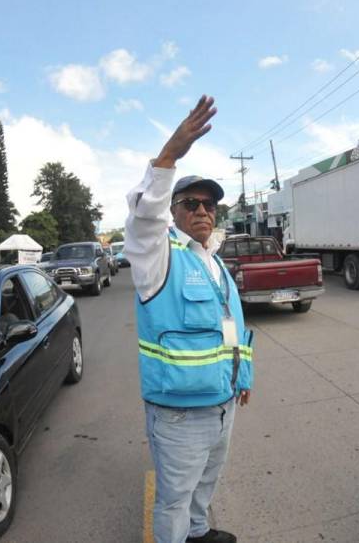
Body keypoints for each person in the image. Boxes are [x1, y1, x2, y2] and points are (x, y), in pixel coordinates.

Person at [125, 95, 253, 543]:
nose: (202, 210)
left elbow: (229, 325)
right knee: (173, 500)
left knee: (203, 488)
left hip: (222, 403)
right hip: (179, 413)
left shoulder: (213, 260)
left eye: (209, 205)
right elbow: (145, 216)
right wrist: (169, 156)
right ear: (174, 213)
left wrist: (243, 375)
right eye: (191, 204)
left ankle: (198, 535)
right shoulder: (157, 256)